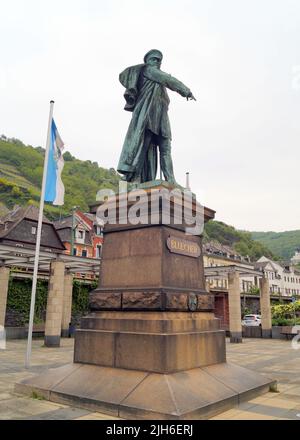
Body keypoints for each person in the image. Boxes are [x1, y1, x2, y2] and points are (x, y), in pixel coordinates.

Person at [117, 49, 196, 184]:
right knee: (142, 146)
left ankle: (170, 180)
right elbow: (169, 79)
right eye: (154, 59)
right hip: (147, 116)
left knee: (166, 148)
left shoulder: (158, 83)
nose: (157, 62)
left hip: (161, 120)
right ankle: (136, 177)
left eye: (159, 60)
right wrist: (186, 91)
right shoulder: (148, 71)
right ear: (147, 61)